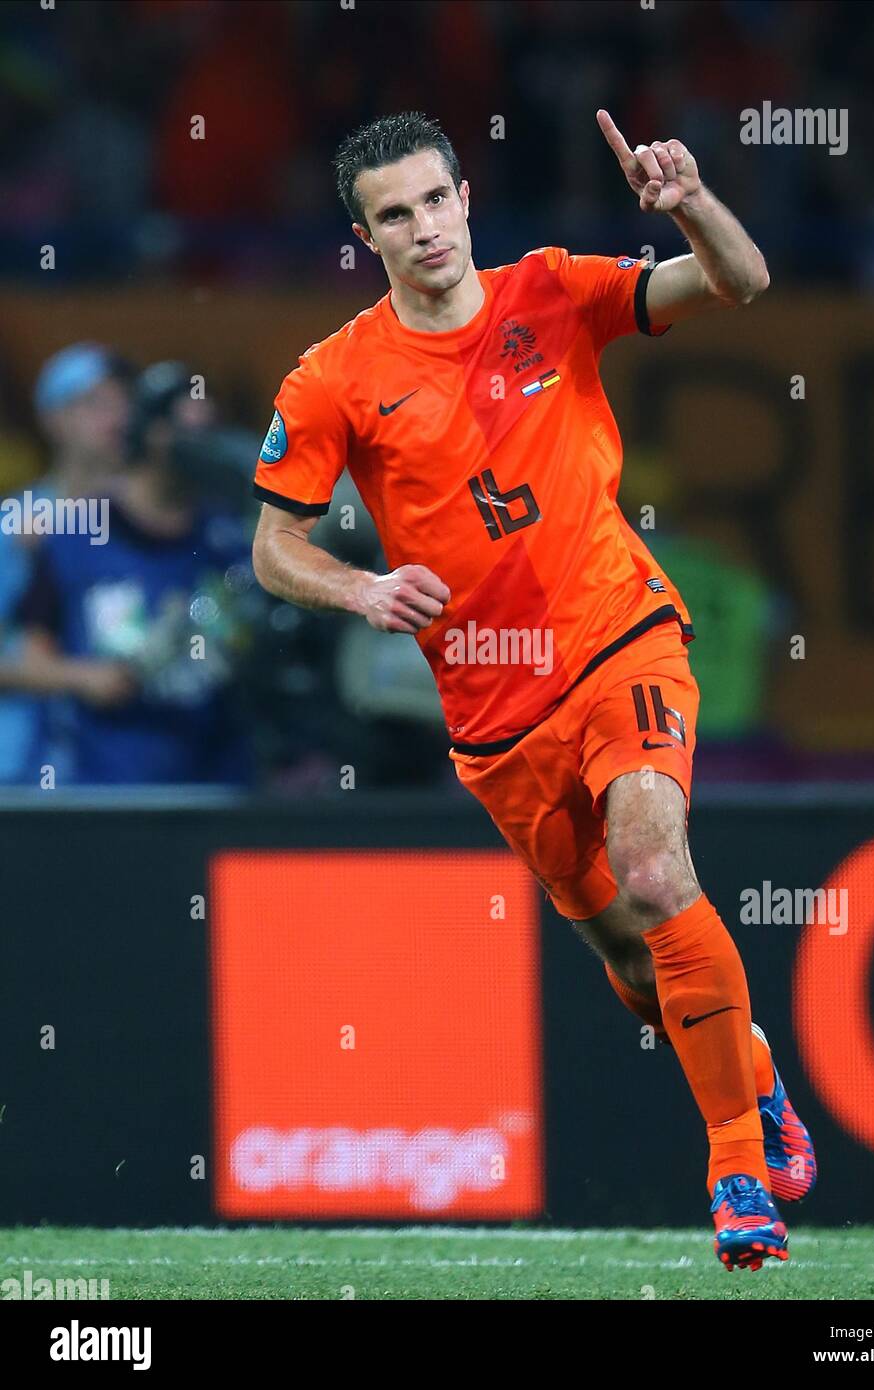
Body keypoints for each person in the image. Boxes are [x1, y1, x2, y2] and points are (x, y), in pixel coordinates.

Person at [251, 110, 816, 1270]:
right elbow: (273, 549)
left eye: (432, 201)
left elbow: (740, 280)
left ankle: (733, 1172)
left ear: (466, 198)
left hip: (619, 636)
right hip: (490, 712)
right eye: (391, 215)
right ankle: (748, 1072)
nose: (421, 229)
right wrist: (359, 593)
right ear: (366, 238)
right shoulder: (334, 379)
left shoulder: (553, 292)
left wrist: (690, 203)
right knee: (623, 946)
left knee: (659, 875)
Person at [2, 361, 254, 786]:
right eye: (187, 435)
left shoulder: (227, 541)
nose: (202, 451)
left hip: (211, 787)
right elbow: (29, 654)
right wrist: (83, 678)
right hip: (96, 789)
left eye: (208, 435)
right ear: (152, 434)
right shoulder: (73, 538)